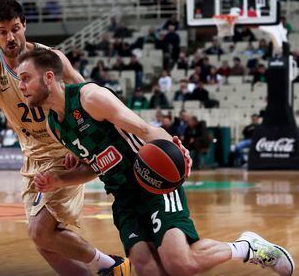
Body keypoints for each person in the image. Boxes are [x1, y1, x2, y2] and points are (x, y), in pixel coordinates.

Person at [17, 48, 294, 276]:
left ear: (49, 77)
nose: (21, 86)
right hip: (123, 199)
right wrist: (60, 180)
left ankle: (247, 247)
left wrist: (175, 147)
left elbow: (145, 130)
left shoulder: (90, 98)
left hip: (151, 180)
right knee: (149, 270)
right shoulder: (54, 125)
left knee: (179, 264)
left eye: (25, 78)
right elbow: (96, 165)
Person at [0, 0, 129, 276]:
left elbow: (85, 93)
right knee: (44, 241)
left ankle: (110, 266)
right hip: (31, 159)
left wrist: (78, 142)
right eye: (2, 32)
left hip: (63, 151)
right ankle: (100, 270)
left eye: (15, 28)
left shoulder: (49, 59)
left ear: (25, 25)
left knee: (40, 231)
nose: (11, 37)